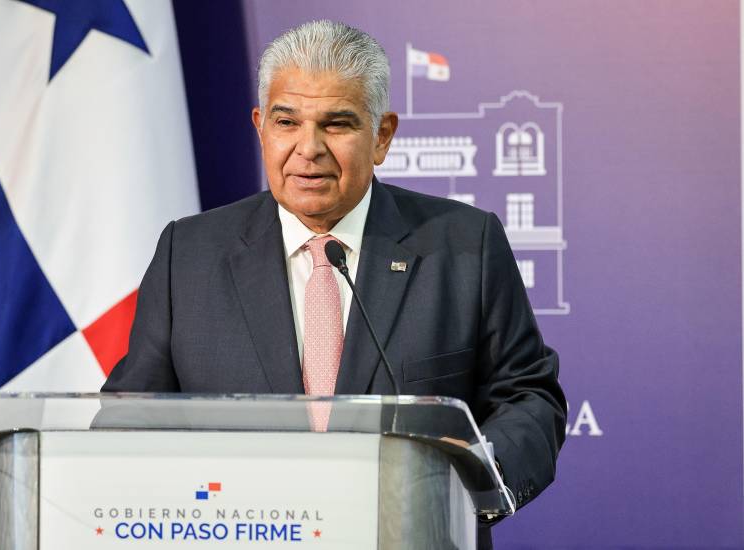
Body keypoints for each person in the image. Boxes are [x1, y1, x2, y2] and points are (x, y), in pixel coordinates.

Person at [102, 20, 566, 547]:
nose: (309, 148)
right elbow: (131, 413)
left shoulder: (464, 245)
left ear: (382, 135)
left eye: (337, 124)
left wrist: (469, 480)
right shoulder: (188, 253)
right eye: (287, 122)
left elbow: (528, 397)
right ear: (260, 127)